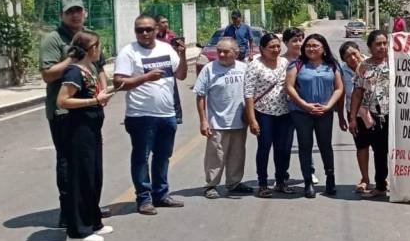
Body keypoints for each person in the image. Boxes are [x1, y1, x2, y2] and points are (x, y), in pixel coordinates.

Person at [39, 0, 110, 226]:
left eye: (78, 10)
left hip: (88, 109)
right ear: (62, 15)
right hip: (64, 113)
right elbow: (48, 75)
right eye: (70, 11)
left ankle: (88, 208)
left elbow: (100, 67)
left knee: (89, 162)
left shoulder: (89, 36)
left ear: (85, 12)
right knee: (68, 163)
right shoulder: (53, 39)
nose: (75, 15)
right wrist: (73, 58)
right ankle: (69, 212)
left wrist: (103, 91)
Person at [114, 14, 188, 215]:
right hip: (140, 115)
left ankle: (161, 194)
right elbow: (118, 83)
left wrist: (182, 55)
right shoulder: (128, 52)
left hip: (167, 114)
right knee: (141, 157)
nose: (144, 33)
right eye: (140, 30)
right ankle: (144, 198)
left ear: (157, 30)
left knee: (163, 156)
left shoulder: (166, 49)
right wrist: (146, 77)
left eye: (148, 29)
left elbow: (181, 75)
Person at [55, 31, 115, 241]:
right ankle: (77, 232)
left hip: (91, 130)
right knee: (81, 178)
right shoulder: (73, 72)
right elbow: (62, 101)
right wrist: (94, 101)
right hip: (79, 132)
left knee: (94, 176)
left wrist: (102, 96)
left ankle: (93, 221)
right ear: (90, 49)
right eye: (97, 46)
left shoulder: (88, 68)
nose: (99, 50)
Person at [285, 34, 344, 198]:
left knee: (325, 145)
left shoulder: (331, 65)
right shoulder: (297, 64)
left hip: (324, 112)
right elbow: (289, 87)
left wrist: (329, 106)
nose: (311, 48)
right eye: (308, 46)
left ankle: (330, 179)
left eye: (315, 45)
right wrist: (304, 105)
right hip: (301, 112)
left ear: (323, 48)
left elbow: (339, 88)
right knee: (305, 146)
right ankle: (308, 182)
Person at [194, 37, 252, 199]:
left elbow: (251, 94)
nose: (221, 54)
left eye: (226, 52)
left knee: (237, 155)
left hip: (240, 121)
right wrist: (203, 120)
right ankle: (211, 185)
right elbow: (200, 95)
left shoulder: (244, 68)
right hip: (217, 122)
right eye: (219, 51)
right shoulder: (209, 69)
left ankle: (234, 183)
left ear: (236, 53)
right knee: (216, 156)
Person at [244, 32, 295, 197]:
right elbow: (248, 94)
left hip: (285, 113)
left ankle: (281, 181)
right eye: (271, 47)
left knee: (284, 149)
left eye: (278, 46)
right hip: (263, 113)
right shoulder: (255, 65)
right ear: (262, 49)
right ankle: (263, 184)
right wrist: (252, 120)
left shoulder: (285, 63)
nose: (276, 49)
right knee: (264, 148)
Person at [349, 30, 391, 198]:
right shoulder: (363, 66)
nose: (382, 47)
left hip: (396, 115)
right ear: (370, 47)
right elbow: (357, 93)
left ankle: (401, 186)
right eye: (378, 44)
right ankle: (380, 186)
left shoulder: (396, 62)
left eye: (385, 43)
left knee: (397, 152)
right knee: (380, 152)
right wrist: (353, 117)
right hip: (374, 115)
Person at [337, 41, 369, 192]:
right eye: (347, 56)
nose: (352, 58)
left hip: (376, 111)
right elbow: (341, 93)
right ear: (343, 59)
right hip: (354, 112)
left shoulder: (372, 64)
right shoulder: (341, 70)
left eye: (354, 53)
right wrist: (342, 117)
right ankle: (365, 179)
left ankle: (382, 178)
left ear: (359, 50)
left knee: (381, 147)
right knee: (361, 145)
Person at [282, 27, 306, 185]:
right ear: (286, 42)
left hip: (304, 108)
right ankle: (282, 174)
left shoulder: (307, 59)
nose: (298, 43)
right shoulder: (281, 61)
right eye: (294, 41)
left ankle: (309, 172)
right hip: (285, 109)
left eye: (300, 40)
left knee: (306, 142)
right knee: (285, 144)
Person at [155, 14, 183, 124]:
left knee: (173, 90)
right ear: (157, 24)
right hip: (156, 65)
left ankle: (178, 115)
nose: (166, 24)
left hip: (169, 66)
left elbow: (176, 49)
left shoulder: (171, 35)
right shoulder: (153, 36)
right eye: (163, 22)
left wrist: (177, 48)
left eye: (166, 22)